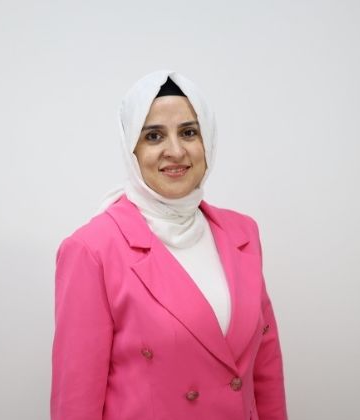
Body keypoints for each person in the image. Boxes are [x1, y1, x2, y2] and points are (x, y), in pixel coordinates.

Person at [51, 70, 287, 420]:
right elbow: (76, 403)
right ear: (131, 148)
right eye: (154, 136)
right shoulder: (91, 250)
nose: (175, 151)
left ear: (207, 139)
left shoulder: (243, 233)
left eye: (189, 132)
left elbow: (265, 369)